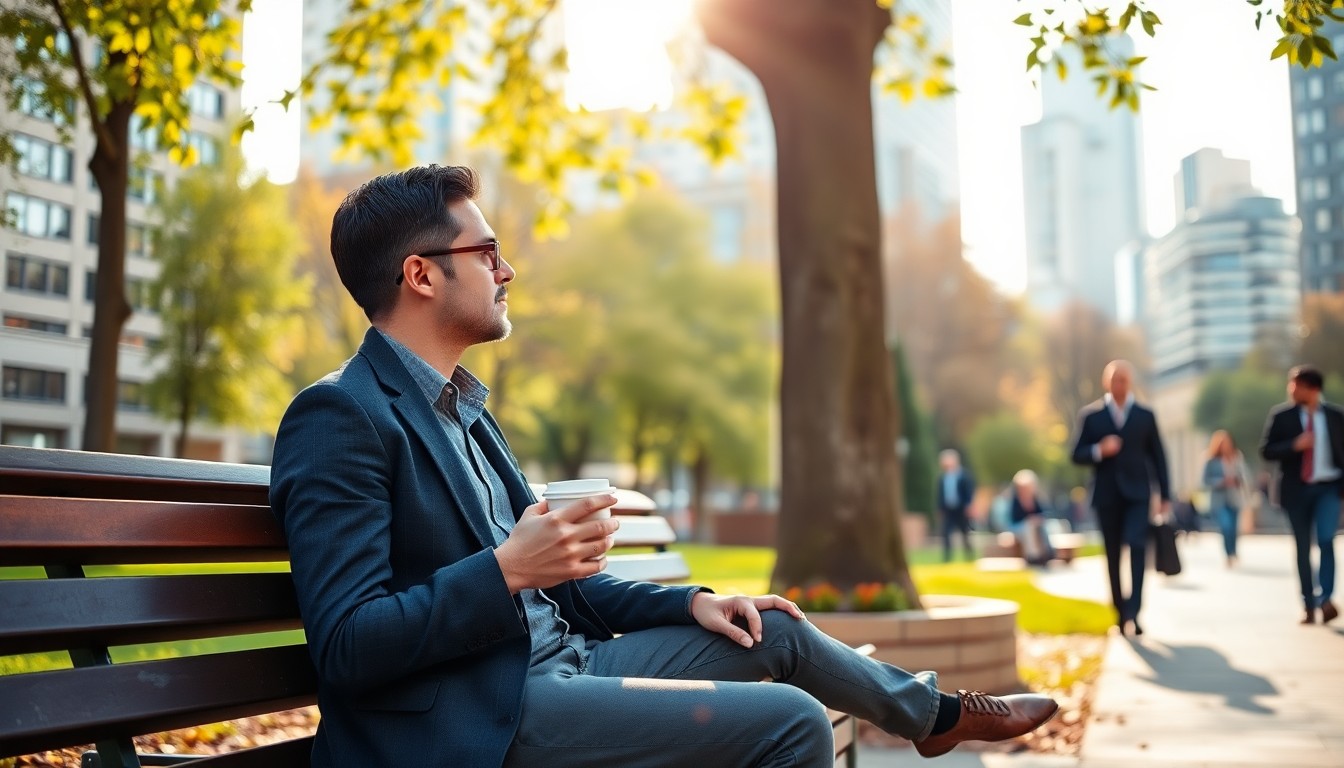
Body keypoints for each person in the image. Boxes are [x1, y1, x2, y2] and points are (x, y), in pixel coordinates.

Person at [269, 166, 1057, 768]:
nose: (507, 270)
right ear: (422, 274)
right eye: (488, 252)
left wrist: (692, 605)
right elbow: (345, 643)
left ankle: (932, 718)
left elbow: (561, 587)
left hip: (560, 669)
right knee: (793, 723)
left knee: (770, 631)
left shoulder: (463, 407)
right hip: (475, 718)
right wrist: (505, 571)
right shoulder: (340, 416)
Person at [1071, 359, 1171, 637]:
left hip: (1139, 494)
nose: (1120, 385)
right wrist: (1098, 450)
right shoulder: (1091, 416)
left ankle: (1135, 612)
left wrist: (1165, 493)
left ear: (1130, 383)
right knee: (1113, 555)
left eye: (1124, 380)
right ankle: (1119, 612)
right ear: (1107, 382)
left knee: (1138, 546)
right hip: (1106, 495)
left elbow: (1159, 456)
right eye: (1115, 380)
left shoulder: (1144, 415)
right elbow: (1076, 454)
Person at [1259, 365, 1344, 626]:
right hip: (1296, 490)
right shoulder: (1282, 416)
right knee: (1302, 547)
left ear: (1313, 389)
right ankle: (1308, 603)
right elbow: (1267, 451)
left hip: (1328, 487)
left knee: (1327, 539)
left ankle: (1326, 598)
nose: (1291, 389)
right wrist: (1294, 445)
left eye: (1297, 385)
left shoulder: (1335, 416)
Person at [1202, 430, 1251, 567]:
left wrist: (1238, 481)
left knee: (1234, 528)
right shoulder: (1211, 460)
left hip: (1234, 498)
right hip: (1219, 499)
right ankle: (1228, 554)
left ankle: (1234, 551)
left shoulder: (1237, 457)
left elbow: (1245, 476)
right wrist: (1221, 482)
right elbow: (1205, 481)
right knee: (1226, 526)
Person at [936, 448, 977, 562]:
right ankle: (947, 558)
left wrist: (969, 505)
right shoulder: (942, 477)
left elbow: (969, 492)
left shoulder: (964, 475)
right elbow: (940, 494)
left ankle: (969, 557)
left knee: (965, 533)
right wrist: (940, 509)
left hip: (961, 508)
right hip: (948, 509)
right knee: (946, 533)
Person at [1009, 469, 1056, 566]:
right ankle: (1033, 556)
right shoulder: (1016, 501)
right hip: (1019, 527)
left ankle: (1048, 552)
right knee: (1029, 527)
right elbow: (1014, 519)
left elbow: (1045, 513)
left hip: (1036, 526)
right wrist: (1029, 520)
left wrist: (1037, 519)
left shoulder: (1036, 499)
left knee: (1044, 526)